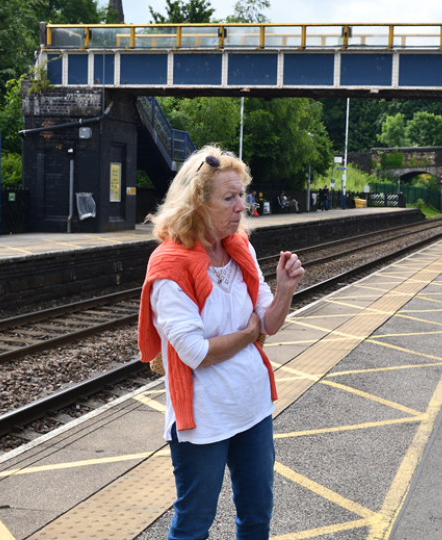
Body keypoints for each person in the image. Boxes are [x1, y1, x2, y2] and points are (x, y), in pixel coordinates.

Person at [138, 146, 304, 540]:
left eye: (241, 195)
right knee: (194, 522)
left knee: (257, 514)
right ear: (197, 204)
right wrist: (249, 334)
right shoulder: (170, 266)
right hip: (203, 419)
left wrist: (285, 290)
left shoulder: (238, 247)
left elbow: (269, 321)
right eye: (228, 198)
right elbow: (194, 353)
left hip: (252, 406)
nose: (240, 206)